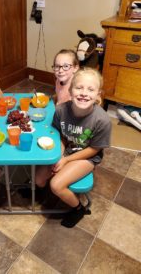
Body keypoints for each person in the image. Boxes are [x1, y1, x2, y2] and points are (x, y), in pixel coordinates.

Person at [36, 68, 111, 227]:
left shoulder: (102, 120)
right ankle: (49, 194)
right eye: (79, 87)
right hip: (67, 150)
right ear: (70, 90)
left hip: (87, 156)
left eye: (90, 89)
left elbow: (94, 149)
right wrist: (60, 155)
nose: (84, 93)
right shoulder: (61, 110)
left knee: (56, 184)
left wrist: (66, 160)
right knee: (39, 180)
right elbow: (60, 136)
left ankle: (78, 209)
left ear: (98, 94)